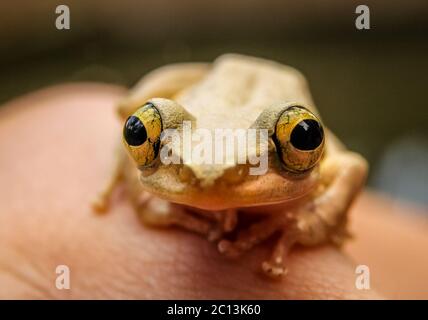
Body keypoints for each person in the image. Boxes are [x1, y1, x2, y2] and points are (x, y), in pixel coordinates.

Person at [0, 83, 427, 299]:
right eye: (146, 140)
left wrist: (312, 222)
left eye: (300, 141)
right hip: (213, 88)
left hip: (271, 99)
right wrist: (137, 181)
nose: (210, 182)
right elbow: (135, 126)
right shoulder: (177, 136)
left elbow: (349, 165)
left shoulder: (294, 143)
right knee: (137, 111)